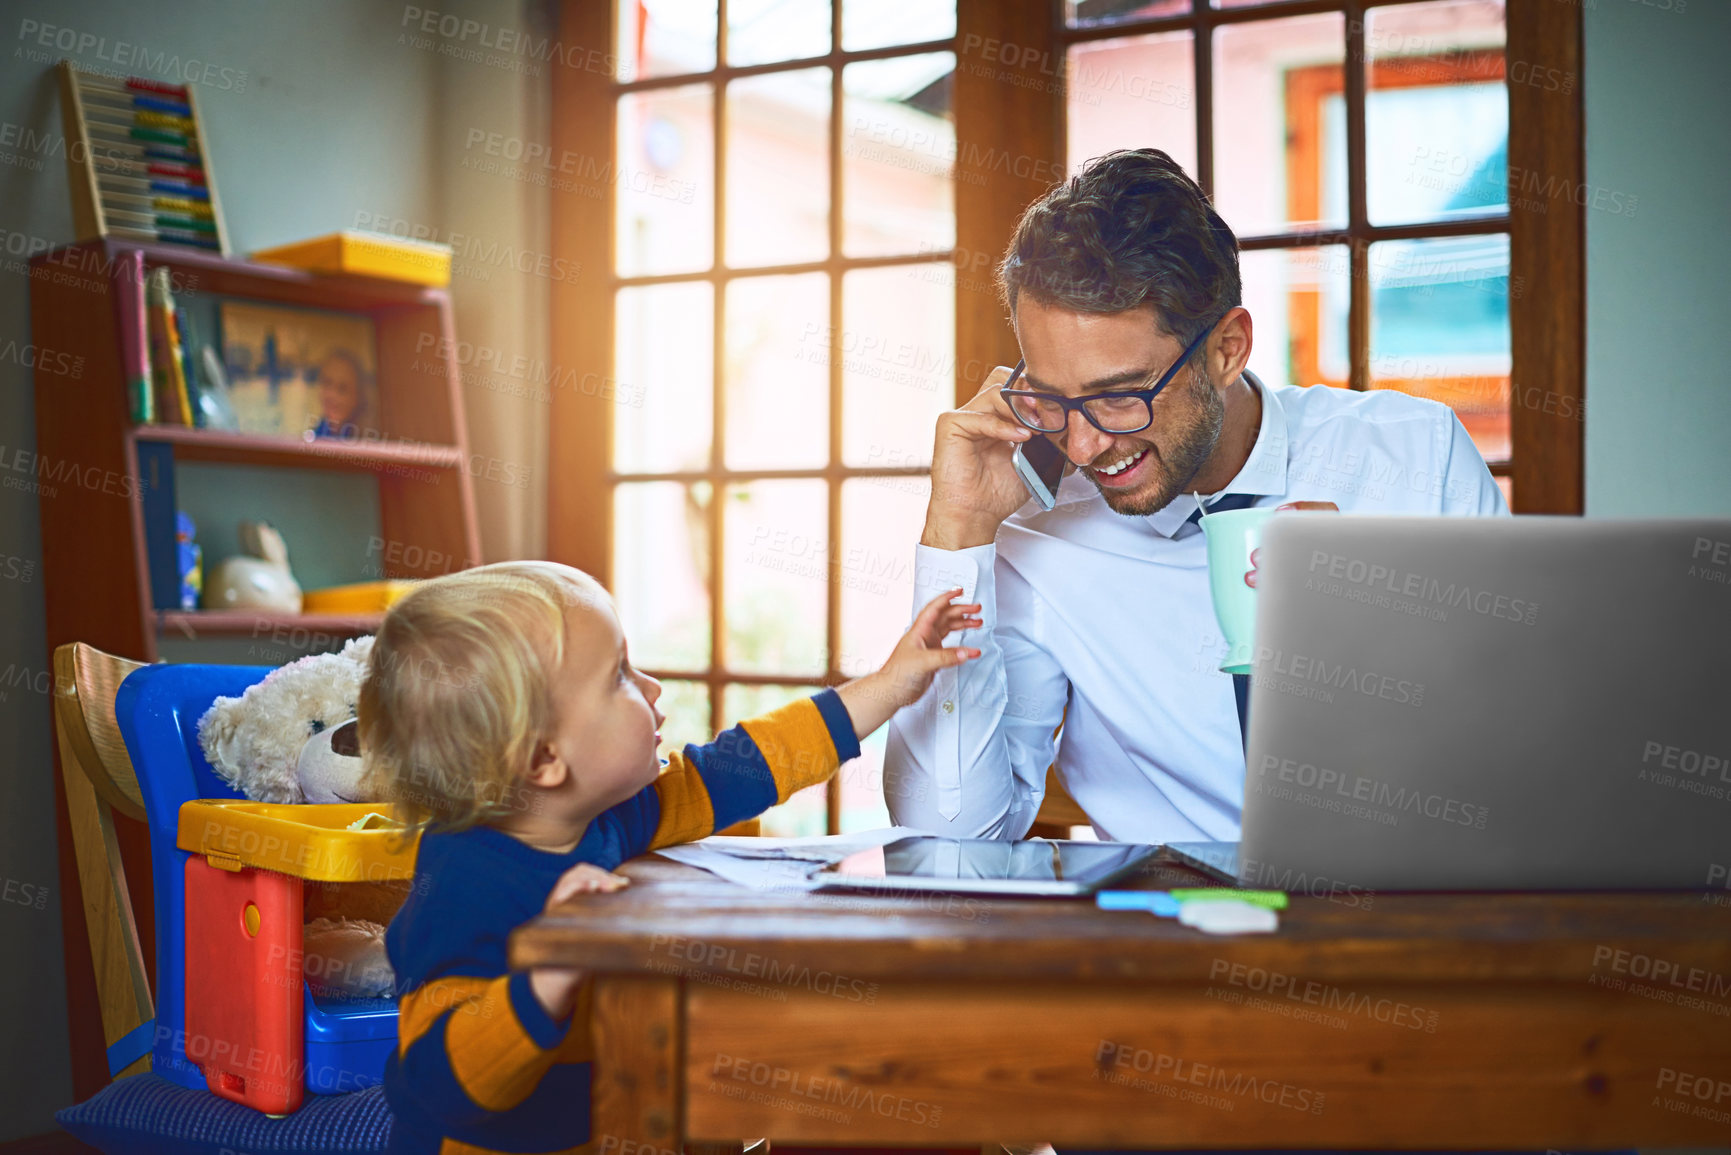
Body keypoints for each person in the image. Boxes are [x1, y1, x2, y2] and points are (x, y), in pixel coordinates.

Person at [884, 148, 1507, 846]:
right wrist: (956, 532)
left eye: (1119, 396)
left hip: (1413, 917)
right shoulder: (1039, 532)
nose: (1082, 447)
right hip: (1167, 934)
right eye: (1051, 400)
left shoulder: (1415, 455)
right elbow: (945, 837)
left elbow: (1521, 759)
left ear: (1227, 348)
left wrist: (1375, 641)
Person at [358, 561, 980, 1155]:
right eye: (620, 675)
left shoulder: (610, 813)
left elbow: (745, 767)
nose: (652, 686)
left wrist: (890, 685)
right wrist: (547, 976)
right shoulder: (463, 889)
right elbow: (441, 1084)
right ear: (543, 759)